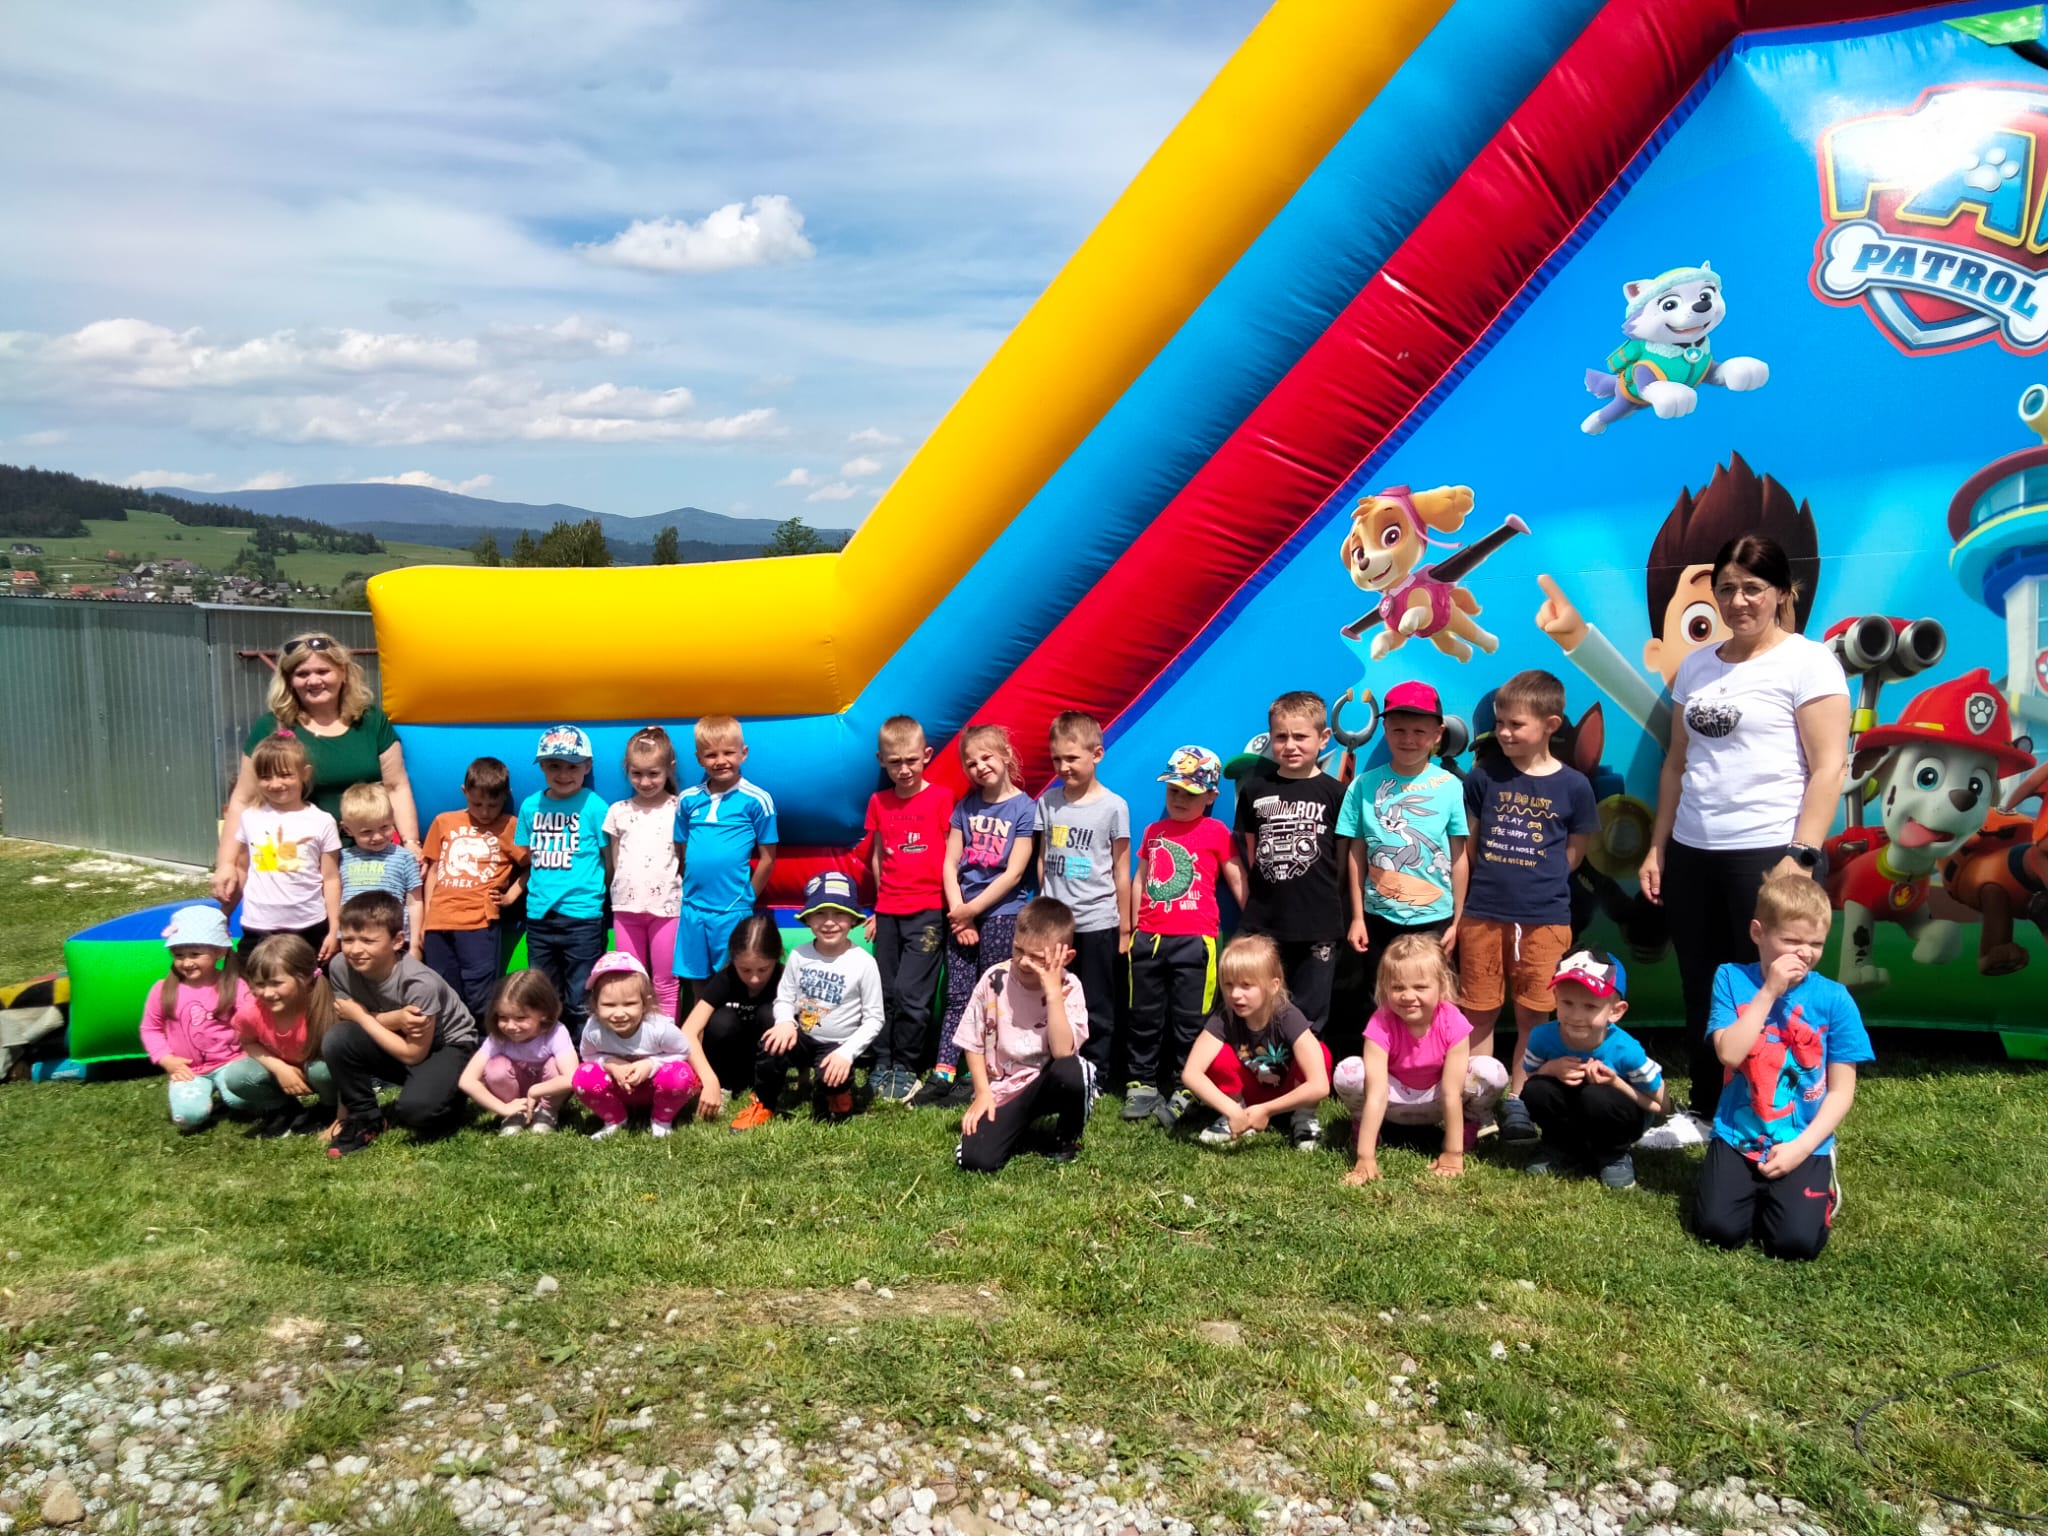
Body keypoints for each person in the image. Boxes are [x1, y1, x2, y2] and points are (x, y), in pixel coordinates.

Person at [1638, 534, 1851, 1145]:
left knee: (1772, 984)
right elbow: (1676, 763)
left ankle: (1777, 1113)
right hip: (1693, 851)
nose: (1738, 601)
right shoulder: (1697, 665)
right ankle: (1708, 1110)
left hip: (1770, 854)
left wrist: (1800, 857)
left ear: (1782, 593)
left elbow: (1829, 767)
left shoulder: (1809, 662)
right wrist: (1658, 846)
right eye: (1726, 588)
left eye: (1753, 588)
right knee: (1705, 986)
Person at [1694, 874, 1872, 1261]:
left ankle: (1815, 1188)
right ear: (1758, 933)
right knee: (1718, 1231)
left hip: (1801, 1137)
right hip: (1739, 1134)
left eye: (1816, 944)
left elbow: (1841, 1091)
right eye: (1791, 941)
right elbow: (1729, 1054)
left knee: (1794, 1245)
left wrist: (1802, 1148)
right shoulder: (1731, 978)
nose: (1804, 953)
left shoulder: (1835, 999)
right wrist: (1769, 991)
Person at [1458, 669, 1598, 1145]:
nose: (1504, 733)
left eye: (1515, 724)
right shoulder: (1484, 777)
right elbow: (1471, 846)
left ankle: (1519, 1099)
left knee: (1534, 1015)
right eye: (1500, 723)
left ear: (1550, 725)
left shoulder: (1575, 786)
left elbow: (1574, 853)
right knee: (1478, 1011)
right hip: (1483, 913)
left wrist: (1537, 887)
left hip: (1545, 919)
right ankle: (1478, 1102)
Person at [213, 631, 420, 908]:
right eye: (302, 673)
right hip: (297, 862)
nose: (313, 681)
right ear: (289, 680)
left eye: (323, 671)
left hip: (369, 855)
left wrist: (411, 842)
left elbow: (396, 786)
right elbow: (243, 799)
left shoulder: (370, 721)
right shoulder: (272, 726)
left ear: (343, 672)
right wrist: (226, 863)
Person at [1232, 692, 1346, 1151]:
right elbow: (1251, 853)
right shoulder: (1254, 790)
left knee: (1310, 1020)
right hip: (1265, 924)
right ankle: (1254, 1094)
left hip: (1319, 926)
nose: (1290, 745)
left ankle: (1304, 1109)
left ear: (1323, 738)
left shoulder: (1336, 793)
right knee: (1256, 1015)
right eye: (1281, 737)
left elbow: (1343, 860)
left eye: (1301, 736)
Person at [914, 724, 1038, 1108]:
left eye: (987, 757)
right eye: (971, 763)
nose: (980, 767)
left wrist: (972, 911)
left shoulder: (1025, 809)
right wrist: (959, 913)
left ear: (1006, 755)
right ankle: (943, 1071)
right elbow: (950, 864)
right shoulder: (966, 807)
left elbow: (1014, 873)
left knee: (993, 997)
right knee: (958, 995)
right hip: (962, 915)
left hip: (1002, 914)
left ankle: (979, 1074)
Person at [1124, 745, 1247, 1126]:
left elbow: (1236, 877)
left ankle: (1188, 1086)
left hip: (1197, 941)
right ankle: (1141, 1083)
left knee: (1191, 1020)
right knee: (1143, 1015)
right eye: (1173, 790)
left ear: (1211, 797)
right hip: (1149, 938)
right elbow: (1140, 880)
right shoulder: (1153, 831)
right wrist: (1133, 927)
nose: (1179, 799)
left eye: (1190, 793)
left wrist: (1255, 921)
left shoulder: (1216, 832)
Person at [1335, 934, 1507, 1183]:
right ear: (1385, 987)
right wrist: (1365, 1158)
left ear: (1441, 985)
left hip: (1438, 1101)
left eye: (1420, 987)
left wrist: (1453, 1154)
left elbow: (1451, 1092)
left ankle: (1468, 1126)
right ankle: (1365, 1127)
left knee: (1491, 1071)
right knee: (1348, 1071)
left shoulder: (1453, 1021)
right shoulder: (1381, 1022)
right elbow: (1376, 1093)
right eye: (1398, 987)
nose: (1408, 996)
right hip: (1392, 1102)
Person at [323, 890, 480, 1158]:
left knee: (418, 1111)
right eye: (348, 939)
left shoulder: (418, 983)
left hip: (448, 1044)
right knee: (338, 1038)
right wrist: (393, 1018)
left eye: (368, 940)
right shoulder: (339, 966)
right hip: (397, 1038)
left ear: (397, 941)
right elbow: (346, 1020)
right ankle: (364, 1118)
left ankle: (449, 1094)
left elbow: (412, 1054)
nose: (355, 949)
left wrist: (363, 1016)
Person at [733, 872, 883, 1129]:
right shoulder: (799, 955)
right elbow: (784, 998)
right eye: (820, 914)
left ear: (853, 919)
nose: (829, 922)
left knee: (830, 1086)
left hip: (837, 1045)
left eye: (839, 914)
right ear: (808, 919)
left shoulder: (864, 963)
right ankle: (764, 1103)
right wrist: (784, 1022)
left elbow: (874, 1019)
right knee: (771, 1045)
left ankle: (836, 1093)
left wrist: (846, 1053)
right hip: (802, 1035)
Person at [955, 897, 1093, 1172]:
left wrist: (1052, 993)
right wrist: (982, 1093)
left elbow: (1063, 1052)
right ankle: (1013, 1124)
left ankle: (1066, 1136)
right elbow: (972, 1042)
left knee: (1073, 1070)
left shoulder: (1069, 986)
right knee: (976, 1160)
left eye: (1038, 958)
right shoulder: (994, 979)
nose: (1024, 962)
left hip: (1046, 1080)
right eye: (1018, 949)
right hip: (1004, 1088)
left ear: (1066, 957)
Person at [862, 715, 955, 1103]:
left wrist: (953, 904)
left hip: (928, 911)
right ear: (881, 760)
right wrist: (879, 905)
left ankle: (906, 1066)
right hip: (889, 912)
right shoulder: (879, 801)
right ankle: (882, 1061)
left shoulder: (942, 798)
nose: (904, 769)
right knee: (883, 991)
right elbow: (878, 856)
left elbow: (952, 854)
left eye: (912, 760)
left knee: (911, 994)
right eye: (895, 762)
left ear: (926, 755)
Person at [1339, 681, 1467, 958]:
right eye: (1399, 730)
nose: (1408, 739)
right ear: (1385, 729)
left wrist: (1458, 922)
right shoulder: (1363, 785)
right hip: (1377, 920)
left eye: (1419, 731)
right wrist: (1357, 917)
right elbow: (1356, 853)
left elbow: (1459, 857)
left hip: (1436, 920)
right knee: (1382, 985)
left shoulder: (1451, 787)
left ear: (1437, 734)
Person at [1519, 948, 1665, 1188]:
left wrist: (1616, 1083)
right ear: (1555, 998)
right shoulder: (1541, 1037)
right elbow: (1531, 1077)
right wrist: (1551, 1069)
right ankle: (1560, 1146)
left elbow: (1661, 1105)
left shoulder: (1626, 1050)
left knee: (1597, 1096)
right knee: (1537, 1089)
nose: (1576, 1015)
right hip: (1575, 1111)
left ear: (1616, 1011)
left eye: (1590, 1007)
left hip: (1616, 1115)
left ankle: (1613, 1154)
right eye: (1567, 1002)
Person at [1037, 710, 1132, 1080]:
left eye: (1072, 758)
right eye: (1056, 759)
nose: (1063, 767)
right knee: (1053, 995)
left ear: (1097, 755)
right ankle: (1056, 1066)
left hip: (1096, 922)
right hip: (1055, 925)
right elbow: (1043, 857)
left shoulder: (1113, 806)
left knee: (1096, 1002)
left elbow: (1121, 869)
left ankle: (1096, 1072)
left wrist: (1124, 927)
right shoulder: (1048, 803)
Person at [1180, 934, 1332, 1150]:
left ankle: (1303, 1117)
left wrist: (1266, 1110)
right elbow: (1191, 1073)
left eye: (1246, 985)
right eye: (1229, 984)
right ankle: (1236, 1117)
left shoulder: (1287, 1016)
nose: (1235, 994)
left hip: (1287, 1092)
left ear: (1273, 985)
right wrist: (1232, 1110)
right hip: (1246, 1093)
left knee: (1321, 1053)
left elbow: (1320, 1085)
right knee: (1216, 1056)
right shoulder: (1224, 1017)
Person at [673, 715, 779, 1000]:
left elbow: (768, 858)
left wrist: (748, 897)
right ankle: (700, 1027)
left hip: (733, 909)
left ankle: (729, 1027)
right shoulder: (687, 799)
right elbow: (681, 848)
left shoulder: (757, 799)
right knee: (696, 976)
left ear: (743, 753)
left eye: (728, 753)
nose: (721, 761)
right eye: (711, 755)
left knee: (732, 977)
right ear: (699, 758)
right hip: (693, 908)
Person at [516, 724, 610, 1030]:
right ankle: (548, 1049)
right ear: (542, 766)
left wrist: (598, 896)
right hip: (539, 915)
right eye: (554, 766)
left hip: (582, 915)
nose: (563, 774)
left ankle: (583, 1051)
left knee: (581, 995)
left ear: (587, 766)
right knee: (543, 994)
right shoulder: (531, 806)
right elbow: (528, 856)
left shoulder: (594, 806)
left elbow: (609, 859)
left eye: (572, 766)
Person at [420, 757, 525, 1021]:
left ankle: (483, 1040)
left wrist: (510, 896)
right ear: (464, 792)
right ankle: (454, 1042)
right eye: (477, 804)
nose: (485, 812)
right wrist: (427, 918)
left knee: (480, 995)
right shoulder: (444, 821)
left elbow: (533, 866)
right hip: (439, 922)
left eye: (493, 805)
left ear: (506, 795)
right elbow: (433, 870)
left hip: (479, 922)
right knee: (444, 992)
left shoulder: (510, 826)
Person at [140, 905, 254, 1132]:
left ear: (219, 952)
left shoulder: (234, 985)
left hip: (232, 1062)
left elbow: (251, 1019)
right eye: (179, 955)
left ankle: (230, 1094)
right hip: (189, 1069)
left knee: (242, 1101)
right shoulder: (162, 990)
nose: (187, 962)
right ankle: (200, 1099)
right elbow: (150, 1028)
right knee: (189, 1116)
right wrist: (166, 1059)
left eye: (195, 954)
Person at [231, 732, 342, 960]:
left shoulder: (322, 821)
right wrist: (224, 914)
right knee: (254, 980)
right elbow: (241, 868)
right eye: (265, 777)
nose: (275, 784)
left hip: (308, 924)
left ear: (305, 774)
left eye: (284, 775)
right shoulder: (250, 817)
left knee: (308, 980)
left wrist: (334, 930)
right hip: (258, 925)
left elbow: (331, 879)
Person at [574, 952, 701, 1139]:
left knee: (680, 1074)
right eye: (609, 1005)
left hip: (655, 1089)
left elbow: (683, 1051)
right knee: (583, 1076)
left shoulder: (659, 1028)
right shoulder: (594, 1030)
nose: (619, 1013)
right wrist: (611, 1064)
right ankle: (615, 1119)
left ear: (645, 1002)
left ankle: (661, 1119)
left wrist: (650, 1064)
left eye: (629, 1003)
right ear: (595, 1004)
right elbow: (587, 1057)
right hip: (620, 1089)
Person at [604, 726, 684, 1018]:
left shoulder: (679, 808)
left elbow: (683, 857)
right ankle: (635, 1036)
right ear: (626, 769)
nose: (645, 781)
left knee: (665, 981)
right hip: (626, 909)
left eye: (653, 773)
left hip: (667, 909)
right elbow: (613, 862)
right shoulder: (618, 811)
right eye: (637, 773)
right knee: (632, 981)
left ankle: (667, 1038)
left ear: (669, 768)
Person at [229, 933, 340, 1139]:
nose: (267, 993)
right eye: (260, 984)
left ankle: (329, 1108)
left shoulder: (324, 1007)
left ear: (305, 978)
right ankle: (284, 1110)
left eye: (276, 983)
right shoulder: (250, 1012)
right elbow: (248, 1043)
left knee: (322, 1070)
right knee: (237, 1076)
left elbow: (345, 1062)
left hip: (320, 1073)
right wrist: (280, 1069)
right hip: (283, 1073)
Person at [680, 914, 784, 1120]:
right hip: (728, 1062)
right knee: (722, 1020)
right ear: (733, 959)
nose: (755, 978)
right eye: (745, 970)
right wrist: (709, 1079)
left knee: (772, 1015)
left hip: (765, 1062)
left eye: (763, 969)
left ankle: (769, 1087)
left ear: (777, 958)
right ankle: (723, 1085)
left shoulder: (784, 979)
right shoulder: (726, 979)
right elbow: (688, 1031)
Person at [458, 970, 578, 1136]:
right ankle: (514, 1114)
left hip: (545, 1092)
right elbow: (467, 1080)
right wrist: (503, 1108)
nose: (510, 1026)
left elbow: (572, 1078)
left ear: (544, 1013)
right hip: (513, 1097)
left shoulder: (556, 1033)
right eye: (503, 1017)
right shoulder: (499, 1038)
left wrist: (536, 1090)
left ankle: (547, 1111)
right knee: (496, 1068)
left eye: (520, 1018)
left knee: (555, 1067)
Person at [337, 782, 424, 946]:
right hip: (353, 940)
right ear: (347, 829)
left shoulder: (404, 857)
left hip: (394, 941)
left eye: (384, 827)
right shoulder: (342, 858)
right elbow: (336, 900)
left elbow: (415, 902)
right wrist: (337, 934)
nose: (377, 836)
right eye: (367, 832)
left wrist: (414, 944)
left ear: (392, 819)